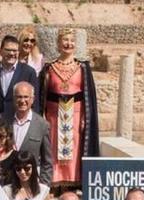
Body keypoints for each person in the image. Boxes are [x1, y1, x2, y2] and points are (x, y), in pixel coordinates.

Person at [38, 28, 100, 190]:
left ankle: (74, 180)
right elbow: (42, 94)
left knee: (76, 145)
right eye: (64, 40)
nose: (68, 43)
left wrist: (86, 117)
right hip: (53, 114)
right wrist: (42, 115)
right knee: (52, 145)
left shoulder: (83, 68)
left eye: (71, 40)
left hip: (76, 114)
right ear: (58, 44)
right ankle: (54, 181)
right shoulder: (49, 68)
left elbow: (88, 95)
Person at [2, 81, 53, 184]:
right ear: (13, 98)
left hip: (30, 184)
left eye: (26, 97)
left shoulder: (42, 125)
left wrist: (44, 187)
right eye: (19, 97)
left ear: (32, 99)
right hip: (5, 182)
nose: (22, 101)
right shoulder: (2, 120)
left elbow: (47, 161)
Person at [0, 35, 39, 117]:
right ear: (0, 51)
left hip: (19, 121)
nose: (11, 53)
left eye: (14, 50)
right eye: (8, 50)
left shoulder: (28, 72)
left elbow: (35, 102)